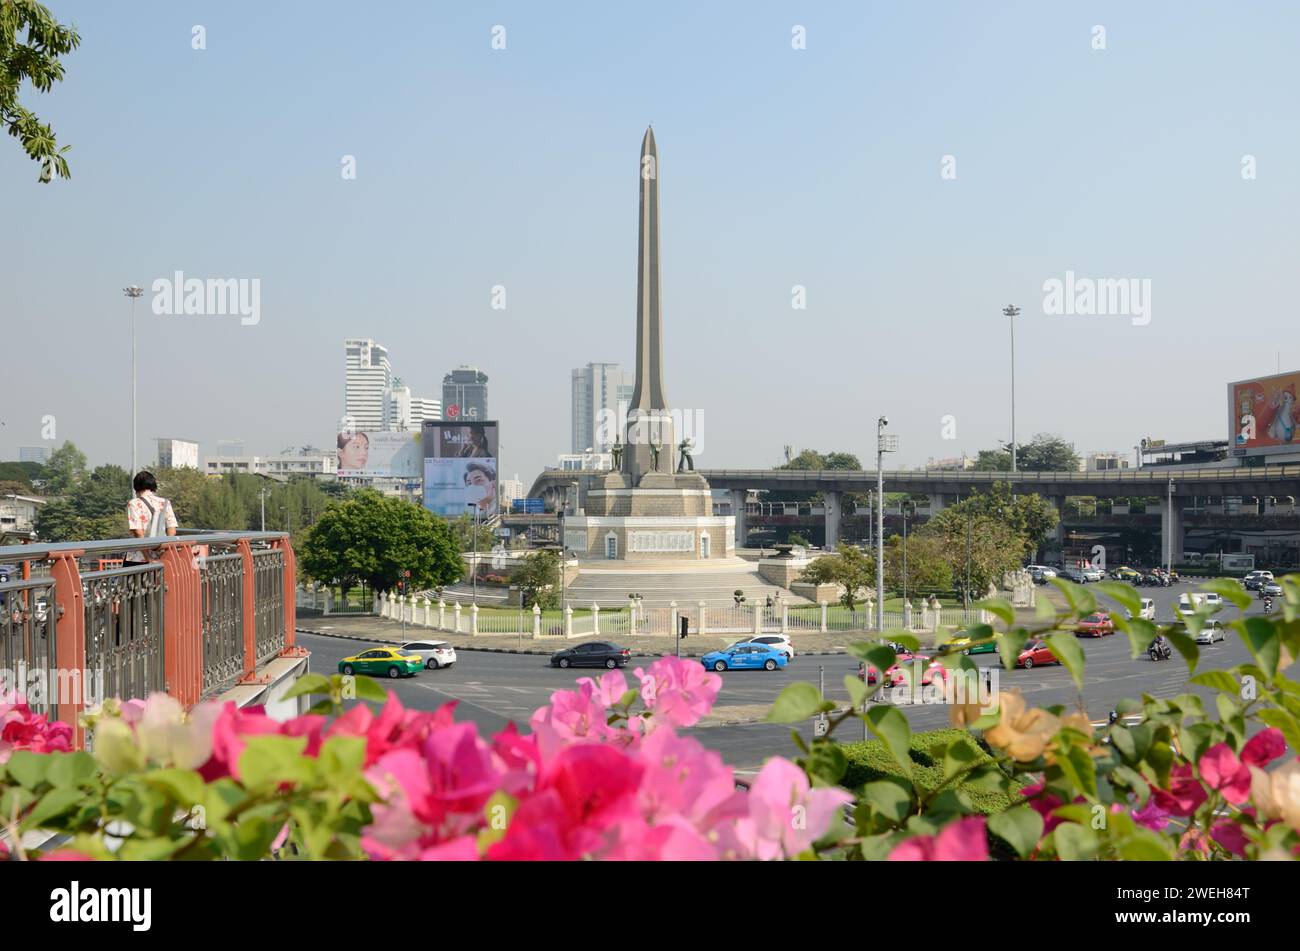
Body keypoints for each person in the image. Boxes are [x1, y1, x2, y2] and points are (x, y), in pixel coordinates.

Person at [126, 471, 177, 562]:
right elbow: (172, 530)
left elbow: (138, 532)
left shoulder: (134, 503)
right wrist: (166, 553)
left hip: (139, 557)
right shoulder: (165, 503)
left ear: (136, 487)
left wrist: (148, 558)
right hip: (161, 556)